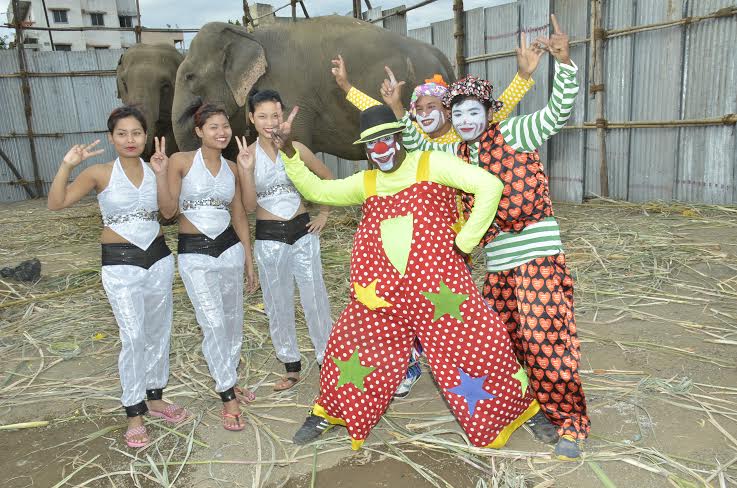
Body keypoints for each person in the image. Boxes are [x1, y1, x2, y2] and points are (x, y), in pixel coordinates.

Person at [272, 103, 538, 449]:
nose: (380, 149)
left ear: (399, 137)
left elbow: (489, 186)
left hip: (440, 292)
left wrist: (466, 240)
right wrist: (289, 151)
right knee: (350, 346)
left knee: (482, 342)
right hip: (382, 293)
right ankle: (332, 411)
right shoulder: (367, 182)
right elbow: (317, 192)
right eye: (372, 144)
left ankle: (517, 409)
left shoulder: (431, 164)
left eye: (386, 139)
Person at [383, 15, 589, 460]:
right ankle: (525, 408)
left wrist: (564, 63)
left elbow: (557, 113)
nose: (465, 119)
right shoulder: (455, 152)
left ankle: (570, 424)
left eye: (473, 111)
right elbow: (418, 146)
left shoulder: (515, 132)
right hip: (496, 261)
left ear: (489, 112)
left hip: (536, 253)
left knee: (544, 338)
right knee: (500, 343)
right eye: (457, 113)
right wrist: (399, 109)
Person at [330, 39, 544, 398]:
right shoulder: (415, 141)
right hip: (426, 244)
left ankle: (477, 366)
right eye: (419, 109)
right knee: (417, 306)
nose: (425, 113)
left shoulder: (461, 137)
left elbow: (496, 112)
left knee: (455, 306)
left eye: (433, 106)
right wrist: (350, 89)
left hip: (466, 235)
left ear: (448, 110)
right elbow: (383, 123)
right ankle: (412, 364)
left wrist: (522, 77)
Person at [48, 106, 185, 448]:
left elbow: (169, 212)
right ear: (111, 138)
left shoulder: (155, 168)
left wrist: (162, 174)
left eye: (136, 132)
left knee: (158, 331)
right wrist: (67, 165)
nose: (130, 139)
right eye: (122, 133)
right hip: (120, 263)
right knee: (133, 335)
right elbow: (56, 203)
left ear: (146, 136)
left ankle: (155, 398)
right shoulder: (99, 172)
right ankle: (134, 412)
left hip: (158, 258)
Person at [157, 101, 258, 431]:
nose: (222, 132)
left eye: (225, 126)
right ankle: (227, 394)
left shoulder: (232, 167)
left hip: (229, 250)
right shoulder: (181, 161)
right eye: (213, 127)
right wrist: (160, 176)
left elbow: (241, 214)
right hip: (195, 254)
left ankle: (229, 377)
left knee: (232, 321)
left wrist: (249, 260)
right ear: (199, 131)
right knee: (212, 322)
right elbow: (168, 212)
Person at [234, 89, 334, 391]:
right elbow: (248, 207)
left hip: (304, 232)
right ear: (251, 119)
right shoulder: (246, 156)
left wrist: (324, 213)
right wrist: (247, 171)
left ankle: (327, 360)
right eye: (262, 116)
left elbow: (328, 178)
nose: (270, 122)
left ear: (283, 116)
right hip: (269, 238)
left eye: (275, 115)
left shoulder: (297, 148)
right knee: (277, 302)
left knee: (315, 298)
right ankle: (291, 365)